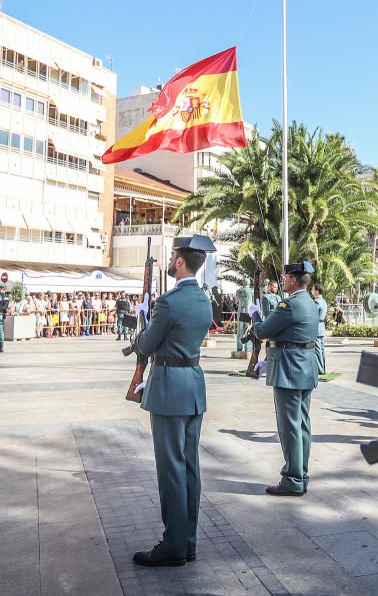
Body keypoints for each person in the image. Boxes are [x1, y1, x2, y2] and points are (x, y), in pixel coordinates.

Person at [131, 235, 216, 567]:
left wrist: (141, 325)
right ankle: (188, 541)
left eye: (171, 256)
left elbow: (147, 344)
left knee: (171, 470)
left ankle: (174, 545)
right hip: (193, 387)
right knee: (190, 467)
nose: (168, 260)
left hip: (169, 389)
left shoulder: (168, 301)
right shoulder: (203, 300)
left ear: (180, 261)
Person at [251, 262, 319, 496]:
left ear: (292, 280)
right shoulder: (310, 303)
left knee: (289, 425)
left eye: (285, 277)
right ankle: (301, 474)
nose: (283, 280)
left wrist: (255, 315)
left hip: (289, 370)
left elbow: (262, 331)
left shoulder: (288, 305)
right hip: (305, 368)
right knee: (302, 424)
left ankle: (292, 479)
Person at [310, 283, 329, 375]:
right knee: (321, 349)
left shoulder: (316, 302)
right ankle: (323, 368)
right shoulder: (323, 301)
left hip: (316, 326)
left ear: (317, 291)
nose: (311, 291)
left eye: (313, 290)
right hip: (321, 327)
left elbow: (312, 314)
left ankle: (320, 369)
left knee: (317, 349)